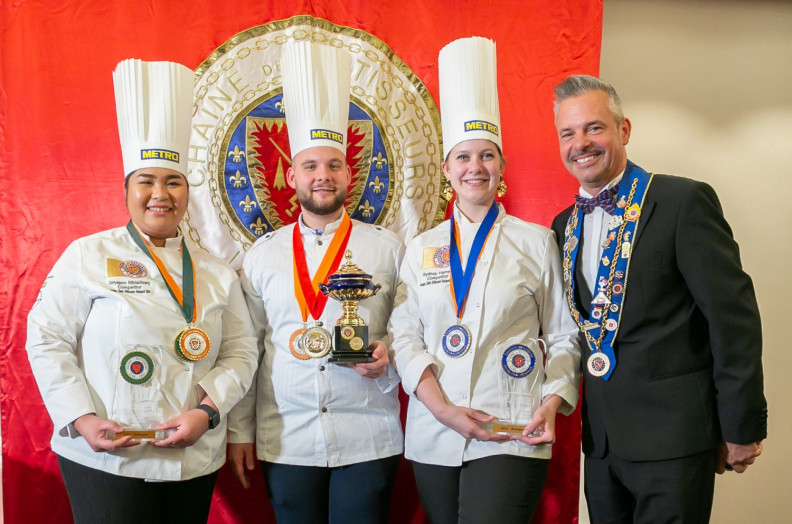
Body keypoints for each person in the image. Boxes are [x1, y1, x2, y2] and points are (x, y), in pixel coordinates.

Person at [25, 59, 258, 523]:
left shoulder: (215, 272)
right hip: (108, 452)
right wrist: (82, 419)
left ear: (187, 192)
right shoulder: (87, 254)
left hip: (192, 455)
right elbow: (46, 338)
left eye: (173, 181)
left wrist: (208, 413)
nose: (160, 193)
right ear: (126, 189)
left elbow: (241, 351)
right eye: (146, 181)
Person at [550, 74, 767, 523]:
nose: (581, 143)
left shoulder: (681, 201)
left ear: (623, 130)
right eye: (568, 133)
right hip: (604, 445)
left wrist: (741, 424)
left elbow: (733, 318)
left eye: (595, 127)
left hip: (675, 440)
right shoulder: (562, 225)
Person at [389, 36, 580, 524]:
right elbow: (404, 335)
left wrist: (553, 402)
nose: (476, 167)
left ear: (503, 168)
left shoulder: (537, 242)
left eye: (488, 155)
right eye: (464, 157)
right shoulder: (421, 247)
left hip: (513, 422)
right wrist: (443, 409)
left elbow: (563, 334)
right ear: (447, 171)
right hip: (436, 427)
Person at [226, 41, 403, 524]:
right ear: (290, 175)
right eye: (310, 165)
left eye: (333, 165)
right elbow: (249, 347)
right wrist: (241, 432)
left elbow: (410, 328)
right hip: (287, 437)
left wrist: (390, 356)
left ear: (350, 172)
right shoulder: (262, 257)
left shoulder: (388, 248)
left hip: (368, 430)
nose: (322, 176)